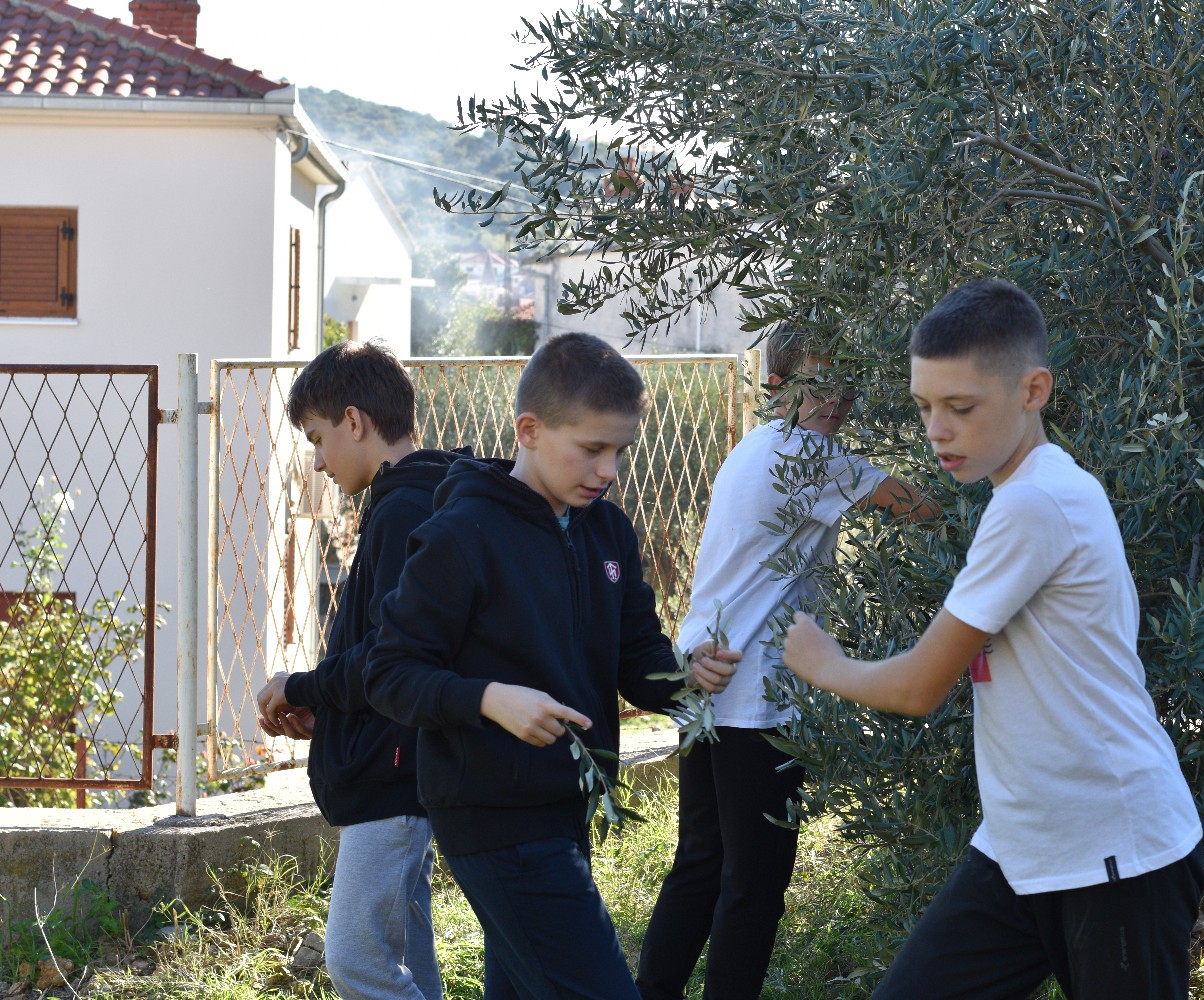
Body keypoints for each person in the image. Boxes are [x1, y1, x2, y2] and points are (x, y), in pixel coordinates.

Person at [782, 279, 1204, 1000]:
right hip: (1022, 848)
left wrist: (823, 663)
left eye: (961, 407)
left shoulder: (1035, 503)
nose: (936, 430)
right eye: (924, 407)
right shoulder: (1031, 490)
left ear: (1033, 390)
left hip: (1115, 855)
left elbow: (919, 686)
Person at [362, 332, 740, 1000]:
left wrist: (686, 676)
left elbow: (636, 657)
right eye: (591, 449)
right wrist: (489, 698)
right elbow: (389, 672)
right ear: (529, 431)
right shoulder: (461, 535)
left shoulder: (607, 530)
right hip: (493, 815)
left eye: (619, 451)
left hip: (566, 808)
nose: (608, 469)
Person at [636, 326, 936, 1000]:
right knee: (755, 883)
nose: (838, 399)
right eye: (819, 382)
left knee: (702, 863)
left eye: (846, 383)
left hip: (707, 682)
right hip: (757, 698)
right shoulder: (810, 455)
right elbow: (922, 509)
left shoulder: (756, 445)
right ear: (778, 386)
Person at [255, 339, 468, 1000]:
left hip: (390, 778)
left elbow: (390, 656)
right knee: (410, 965)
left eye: (318, 439)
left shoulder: (404, 508)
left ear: (354, 421)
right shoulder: (412, 497)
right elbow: (393, 656)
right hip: (395, 761)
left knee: (357, 962)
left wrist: (299, 685)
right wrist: (333, 713)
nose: (318, 461)